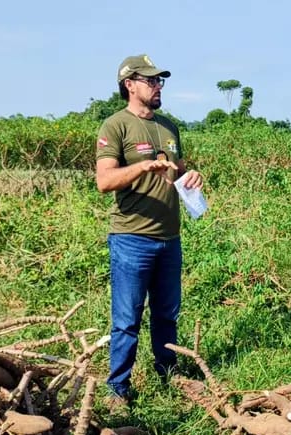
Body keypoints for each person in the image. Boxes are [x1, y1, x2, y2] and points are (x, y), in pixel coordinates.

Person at [95, 54, 203, 406]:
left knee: (167, 314)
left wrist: (191, 176)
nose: (158, 87)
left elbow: (180, 171)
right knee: (127, 319)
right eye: (151, 81)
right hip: (131, 239)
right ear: (130, 84)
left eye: (160, 81)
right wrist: (142, 169)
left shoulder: (169, 126)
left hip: (169, 239)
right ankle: (117, 388)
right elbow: (105, 180)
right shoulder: (116, 126)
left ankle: (168, 377)